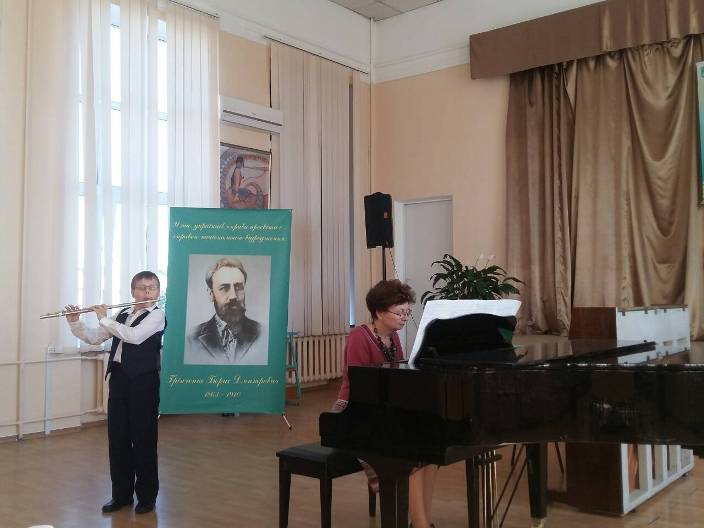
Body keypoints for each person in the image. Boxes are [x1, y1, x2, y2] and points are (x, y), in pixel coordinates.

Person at [334, 279, 438, 528]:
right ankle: (422, 526)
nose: (404, 318)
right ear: (379, 312)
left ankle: (421, 520)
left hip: (383, 410)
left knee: (432, 456)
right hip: (354, 412)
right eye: (399, 313)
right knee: (409, 457)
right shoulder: (359, 337)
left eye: (407, 313)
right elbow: (359, 387)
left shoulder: (393, 338)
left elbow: (397, 379)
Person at [64, 271, 165, 515]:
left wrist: (103, 318)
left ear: (158, 291)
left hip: (144, 383)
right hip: (120, 379)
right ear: (133, 291)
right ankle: (121, 495)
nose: (147, 292)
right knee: (118, 439)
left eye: (152, 288)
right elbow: (94, 338)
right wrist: (75, 322)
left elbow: (134, 337)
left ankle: (147, 497)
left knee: (143, 440)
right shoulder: (122, 315)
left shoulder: (157, 315)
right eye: (142, 288)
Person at [185, 257, 267, 365]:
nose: (233, 296)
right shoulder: (192, 338)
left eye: (238, 287)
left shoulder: (263, 334)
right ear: (211, 294)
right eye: (224, 288)